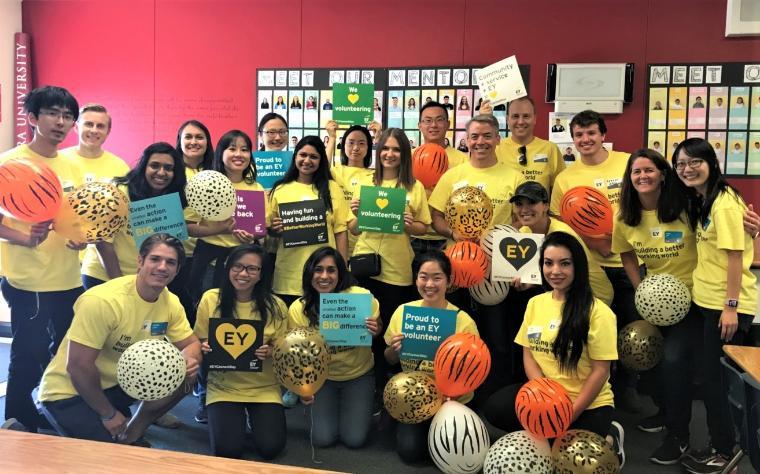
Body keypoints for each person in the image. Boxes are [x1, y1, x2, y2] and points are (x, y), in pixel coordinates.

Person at [38, 233, 201, 444]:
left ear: (177, 270)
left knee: (186, 378)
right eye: (155, 259)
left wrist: (188, 359)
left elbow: (192, 344)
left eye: (170, 262)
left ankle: (134, 429)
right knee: (112, 461)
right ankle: (41, 423)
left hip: (117, 385)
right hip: (69, 393)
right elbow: (78, 367)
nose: (162, 267)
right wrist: (108, 414)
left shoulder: (170, 302)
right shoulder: (103, 301)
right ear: (140, 261)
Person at [483, 232, 624, 467]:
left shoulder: (599, 312)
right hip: (547, 398)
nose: (555, 271)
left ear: (577, 266)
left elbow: (601, 371)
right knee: (495, 408)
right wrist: (542, 394)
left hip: (585, 404)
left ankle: (610, 437)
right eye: (548, 263)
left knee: (572, 464)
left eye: (564, 263)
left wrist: (567, 413)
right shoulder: (535, 303)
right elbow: (527, 351)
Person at [0, 85, 85, 433]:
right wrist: (22, 236)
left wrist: (81, 239)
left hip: (67, 277)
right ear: (33, 117)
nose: (61, 122)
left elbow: (76, 216)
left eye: (67, 116)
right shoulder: (9, 163)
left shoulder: (73, 165)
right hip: (27, 280)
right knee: (28, 349)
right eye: (52, 113)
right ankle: (17, 415)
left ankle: (51, 403)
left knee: (67, 348)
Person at [673, 139, 757, 473]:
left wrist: (731, 307)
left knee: (717, 384)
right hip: (708, 302)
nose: (687, 169)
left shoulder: (723, 203)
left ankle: (727, 455)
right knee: (711, 380)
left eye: (694, 162)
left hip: (727, 306)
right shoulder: (706, 199)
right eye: (680, 164)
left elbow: (736, 257)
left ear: (711, 162)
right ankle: (721, 446)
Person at [613, 149, 701, 465]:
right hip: (653, 302)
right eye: (636, 172)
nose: (642, 177)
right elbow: (625, 253)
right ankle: (665, 412)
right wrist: (640, 288)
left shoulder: (686, 206)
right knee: (646, 358)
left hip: (692, 301)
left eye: (649, 170)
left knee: (674, 361)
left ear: (663, 173)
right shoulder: (625, 216)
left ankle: (679, 437)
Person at [549, 110, 642, 411]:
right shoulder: (566, 177)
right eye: (578, 135)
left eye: (590, 133)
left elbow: (646, 205)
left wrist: (614, 242)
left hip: (631, 263)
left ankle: (625, 392)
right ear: (573, 139)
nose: (585, 139)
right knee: (591, 334)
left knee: (630, 332)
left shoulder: (629, 163)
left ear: (603, 134)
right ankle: (593, 395)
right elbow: (560, 223)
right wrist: (594, 243)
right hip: (589, 267)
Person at [428, 114, 523, 400]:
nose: (480, 142)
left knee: (496, 337)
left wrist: (497, 245)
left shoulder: (514, 177)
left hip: (496, 271)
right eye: (474, 136)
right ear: (466, 140)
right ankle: (457, 392)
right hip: (456, 268)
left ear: (497, 139)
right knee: (456, 335)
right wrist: (454, 235)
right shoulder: (453, 175)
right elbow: (435, 216)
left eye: (486, 136)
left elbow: (522, 221)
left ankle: (493, 398)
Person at [348, 128, 431, 400]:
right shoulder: (365, 182)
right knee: (364, 331)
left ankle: (388, 391)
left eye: (396, 149)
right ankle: (364, 390)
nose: (390, 154)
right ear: (378, 151)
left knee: (390, 335)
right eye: (385, 148)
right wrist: (358, 214)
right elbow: (354, 229)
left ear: (404, 154)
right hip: (364, 267)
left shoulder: (414, 187)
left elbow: (423, 227)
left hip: (397, 270)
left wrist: (411, 225)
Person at [195, 244, 288, 459]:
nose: (243, 273)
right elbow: (199, 339)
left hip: (264, 387)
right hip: (223, 386)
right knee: (227, 450)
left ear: (261, 274)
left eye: (252, 269)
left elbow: (285, 349)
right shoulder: (211, 299)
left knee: (271, 448)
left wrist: (272, 350)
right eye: (237, 266)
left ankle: (250, 424)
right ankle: (233, 425)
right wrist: (205, 346)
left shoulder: (276, 306)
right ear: (228, 268)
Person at [384, 250, 478, 463]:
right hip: (414, 398)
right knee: (410, 452)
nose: (429, 284)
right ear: (415, 278)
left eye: (437, 277)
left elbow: (474, 373)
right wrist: (394, 349)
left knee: (455, 453)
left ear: (448, 281)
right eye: (423, 277)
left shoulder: (462, 321)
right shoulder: (403, 312)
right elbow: (389, 359)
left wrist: (451, 395)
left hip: (453, 400)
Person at [288, 247, 381, 448]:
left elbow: (379, 326)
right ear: (309, 273)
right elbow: (297, 356)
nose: (324, 276)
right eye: (318, 270)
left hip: (358, 375)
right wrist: (304, 389)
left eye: (331, 270)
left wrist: (375, 328)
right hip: (322, 379)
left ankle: (359, 409)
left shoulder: (360, 296)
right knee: (322, 439)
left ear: (340, 274)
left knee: (354, 440)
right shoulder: (298, 308)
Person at [81, 142, 188, 290]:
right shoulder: (118, 191)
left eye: (169, 168)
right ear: (143, 166)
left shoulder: (170, 198)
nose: (162, 172)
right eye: (155, 166)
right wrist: (119, 284)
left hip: (139, 280)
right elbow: (103, 243)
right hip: (104, 276)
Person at [268, 136, 348, 307]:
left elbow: (340, 232)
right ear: (295, 156)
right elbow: (271, 231)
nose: (307, 160)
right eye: (302, 155)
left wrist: (342, 271)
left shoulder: (332, 189)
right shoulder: (280, 189)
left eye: (314, 157)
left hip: (324, 277)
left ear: (321, 161)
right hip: (288, 275)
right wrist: (275, 229)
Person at [188, 130, 261, 306]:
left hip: (244, 261)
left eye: (244, 150)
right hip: (210, 261)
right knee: (208, 308)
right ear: (221, 153)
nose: (239, 154)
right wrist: (219, 229)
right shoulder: (205, 183)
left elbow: (259, 229)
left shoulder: (257, 188)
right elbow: (188, 226)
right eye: (232, 148)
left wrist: (252, 236)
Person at [411, 101, 470, 262]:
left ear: (448, 124)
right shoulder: (408, 157)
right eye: (428, 120)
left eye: (439, 119)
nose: (434, 125)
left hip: (448, 237)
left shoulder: (463, 160)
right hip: (411, 236)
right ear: (420, 125)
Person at [489, 96, 566, 192]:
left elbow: (560, 190)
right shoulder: (495, 148)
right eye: (515, 116)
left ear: (534, 119)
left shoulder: (550, 149)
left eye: (526, 116)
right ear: (507, 119)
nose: (520, 122)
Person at [324, 123, 374, 255]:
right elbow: (322, 166)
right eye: (351, 143)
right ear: (343, 145)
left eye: (362, 143)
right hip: (337, 242)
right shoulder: (335, 171)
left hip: (364, 244)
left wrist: (379, 139)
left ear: (368, 147)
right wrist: (332, 138)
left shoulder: (374, 176)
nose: (356, 148)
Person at [61, 103, 129, 184]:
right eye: (89, 124)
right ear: (76, 127)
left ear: (108, 131)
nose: (94, 131)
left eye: (100, 126)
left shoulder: (121, 167)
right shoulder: (59, 159)